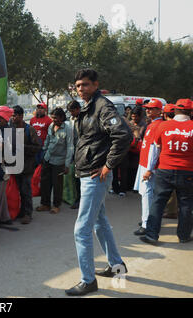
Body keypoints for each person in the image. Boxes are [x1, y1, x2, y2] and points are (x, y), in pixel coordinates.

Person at [65, 69, 132, 296]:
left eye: (85, 84)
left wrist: (108, 165)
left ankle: (88, 280)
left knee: (81, 229)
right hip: (88, 173)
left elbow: (123, 135)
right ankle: (117, 265)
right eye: (78, 85)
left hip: (96, 175)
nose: (80, 89)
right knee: (99, 222)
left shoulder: (103, 106)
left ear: (95, 84)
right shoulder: (88, 107)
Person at [140, 99, 193, 245]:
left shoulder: (163, 126)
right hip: (188, 171)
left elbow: (156, 149)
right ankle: (184, 236)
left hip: (164, 170)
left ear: (175, 111)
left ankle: (151, 235)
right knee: (186, 204)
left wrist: (149, 169)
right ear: (191, 112)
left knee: (158, 202)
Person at [133, 99, 163, 236]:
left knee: (147, 194)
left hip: (150, 166)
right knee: (146, 194)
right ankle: (148, 219)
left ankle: (147, 224)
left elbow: (154, 150)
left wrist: (150, 169)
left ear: (159, 110)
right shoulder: (151, 124)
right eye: (147, 108)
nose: (148, 110)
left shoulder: (157, 125)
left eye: (151, 108)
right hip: (145, 164)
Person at [36, 107, 74, 214]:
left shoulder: (68, 129)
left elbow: (70, 147)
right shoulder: (51, 126)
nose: (54, 120)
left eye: (56, 118)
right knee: (45, 183)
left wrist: (67, 165)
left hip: (59, 161)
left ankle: (56, 205)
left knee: (57, 184)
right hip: (47, 158)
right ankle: (45, 204)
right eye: (52, 118)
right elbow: (47, 141)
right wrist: (43, 155)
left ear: (62, 118)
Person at [11, 106, 41, 224]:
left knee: (26, 191)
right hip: (14, 165)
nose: (13, 118)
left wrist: (22, 148)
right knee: (17, 191)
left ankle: (28, 213)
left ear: (21, 116)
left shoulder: (30, 130)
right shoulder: (11, 129)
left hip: (27, 166)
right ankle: (21, 211)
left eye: (15, 115)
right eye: (12, 115)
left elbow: (38, 147)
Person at [161, 104, 178, 220]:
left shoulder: (164, 126)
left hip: (166, 164)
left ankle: (171, 211)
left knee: (169, 190)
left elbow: (157, 145)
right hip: (184, 165)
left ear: (165, 114)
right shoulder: (187, 126)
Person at [67, 100, 81, 209]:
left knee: (82, 178)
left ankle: (81, 199)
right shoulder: (71, 120)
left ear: (78, 109)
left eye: (72, 111)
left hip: (83, 152)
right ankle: (77, 198)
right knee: (76, 177)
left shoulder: (84, 119)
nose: (71, 113)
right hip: (73, 151)